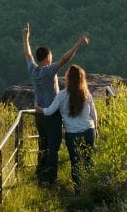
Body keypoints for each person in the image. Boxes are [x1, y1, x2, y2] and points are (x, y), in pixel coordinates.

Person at [22, 24, 88, 186]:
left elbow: (28, 54)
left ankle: (40, 174)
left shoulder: (32, 70)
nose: (52, 58)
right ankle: (50, 179)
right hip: (51, 115)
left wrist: (25, 37)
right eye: (50, 56)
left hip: (39, 115)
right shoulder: (48, 71)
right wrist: (78, 44)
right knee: (53, 147)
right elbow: (66, 59)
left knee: (42, 145)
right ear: (47, 58)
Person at [42, 63, 98, 192]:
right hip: (89, 131)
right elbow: (94, 116)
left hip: (72, 134)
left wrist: (39, 108)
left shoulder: (61, 95)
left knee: (75, 163)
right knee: (89, 161)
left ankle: (78, 191)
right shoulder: (86, 93)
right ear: (82, 78)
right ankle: (90, 190)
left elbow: (49, 111)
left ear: (67, 78)